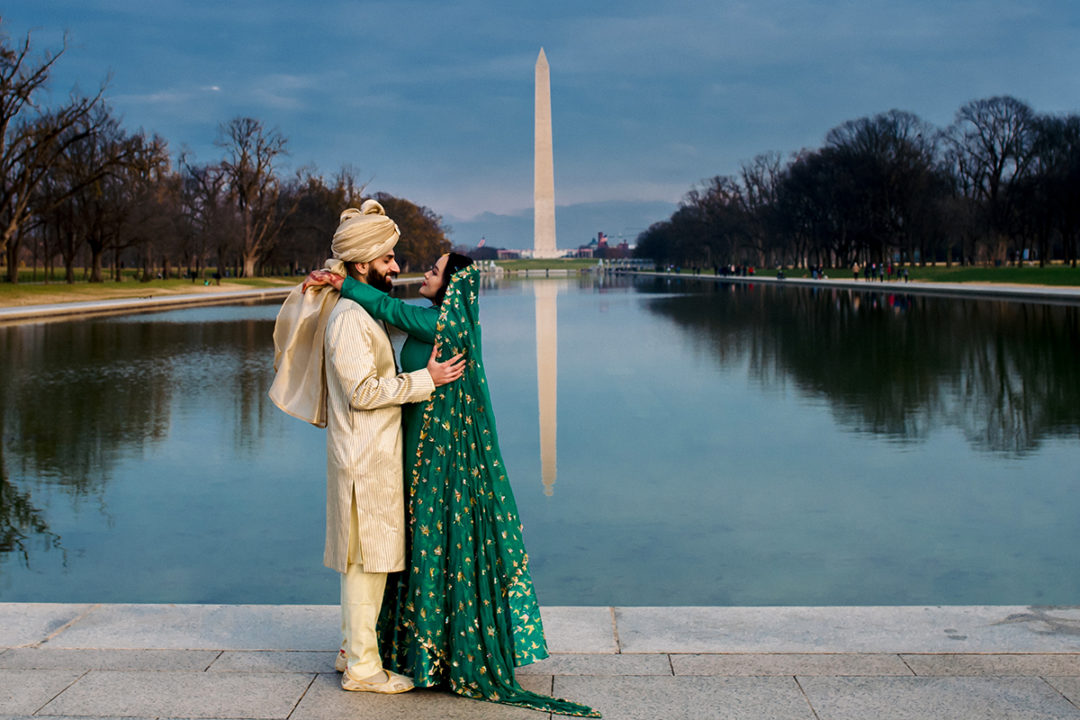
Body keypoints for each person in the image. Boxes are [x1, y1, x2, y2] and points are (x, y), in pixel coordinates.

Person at [304, 253, 600, 717]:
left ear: (452, 286)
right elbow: (386, 322)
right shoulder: (433, 322)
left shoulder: (448, 325)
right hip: (412, 452)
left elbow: (389, 311)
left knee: (421, 549)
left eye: (435, 271)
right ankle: (386, 648)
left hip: (438, 459)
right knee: (395, 553)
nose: (424, 272)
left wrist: (342, 281)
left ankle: (422, 652)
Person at [270, 201, 466, 695]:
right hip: (364, 458)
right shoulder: (350, 320)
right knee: (366, 564)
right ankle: (362, 669)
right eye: (388, 259)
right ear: (362, 265)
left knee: (365, 559)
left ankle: (348, 650)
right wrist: (424, 380)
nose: (397, 267)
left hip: (367, 455)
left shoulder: (358, 309)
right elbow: (363, 392)